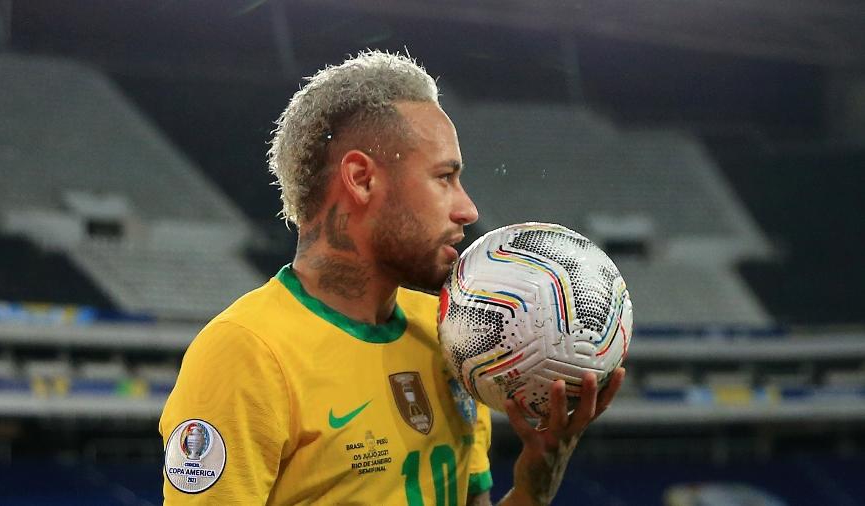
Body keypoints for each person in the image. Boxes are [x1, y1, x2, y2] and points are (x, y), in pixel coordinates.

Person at [159, 50, 625, 505]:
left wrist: (533, 488)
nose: (468, 209)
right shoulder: (246, 353)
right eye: (444, 177)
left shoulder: (461, 336)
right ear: (361, 178)